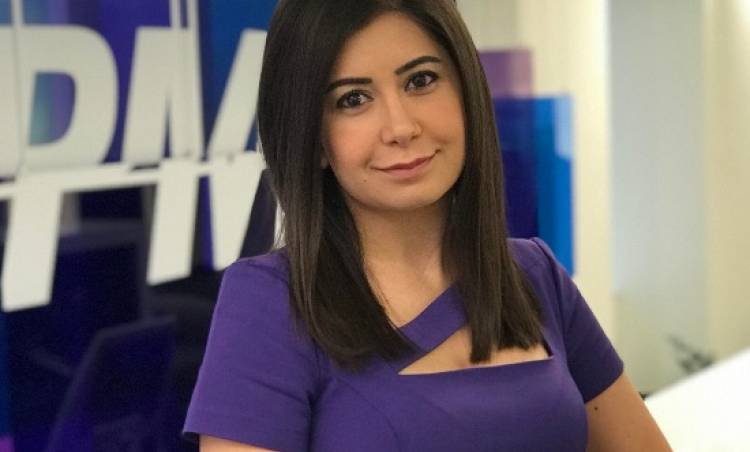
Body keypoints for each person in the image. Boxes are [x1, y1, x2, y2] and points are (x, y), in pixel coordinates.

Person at [184, 0, 672, 450]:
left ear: (465, 90)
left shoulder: (535, 275)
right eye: (353, 99)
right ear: (313, 139)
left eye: (420, 81)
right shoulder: (274, 301)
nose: (401, 127)